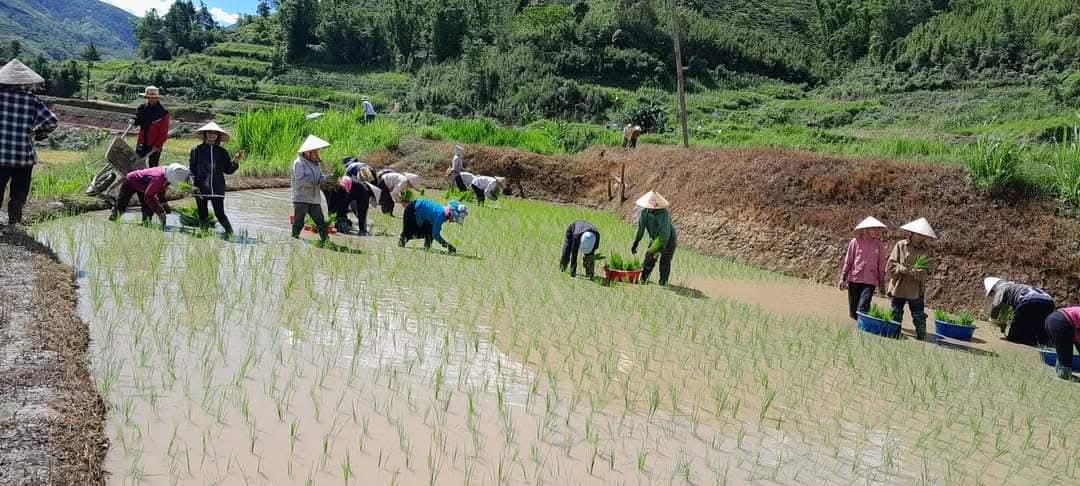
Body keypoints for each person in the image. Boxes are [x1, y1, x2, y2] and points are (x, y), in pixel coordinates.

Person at [0, 59, 57, 232]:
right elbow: (52, 122)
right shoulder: (32, 100)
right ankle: (14, 224)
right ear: (24, 82)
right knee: (18, 192)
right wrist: (37, 133)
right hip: (23, 156)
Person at [188, 122, 242, 235]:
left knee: (219, 213)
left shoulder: (222, 152)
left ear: (218, 135)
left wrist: (235, 161)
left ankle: (230, 233)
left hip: (217, 187)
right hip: (200, 186)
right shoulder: (196, 150)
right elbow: (192, 169)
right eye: (209, 132)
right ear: (204, 134)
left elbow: (228, 170)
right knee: (202, 213)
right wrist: (193, 184)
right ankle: (204, 234)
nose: (211, 135)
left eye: (214, 133)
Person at [887, 218, 936, 339]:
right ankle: (894, 334)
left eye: (922, 235)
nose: (919, 237)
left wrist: (919, 272)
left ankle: (921, 336)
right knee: (896, 312)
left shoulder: (928, 251)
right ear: (912, 233)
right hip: (900, 285)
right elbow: (891, 264)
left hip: (916, 287)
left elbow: (930, 269)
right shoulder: (900, 245)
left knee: (918, 314)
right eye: (917, 234)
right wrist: (900, 268)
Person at [108, 163, 189, 228]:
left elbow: (160, 191)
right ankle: (113, 219)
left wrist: (165, 205)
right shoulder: (158, 178)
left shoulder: (167, 176)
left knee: (148, 207)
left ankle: (146, 223)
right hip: (131, 181)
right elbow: (148, 196)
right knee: (122, 204)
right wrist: (160, 212)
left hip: (144, 184)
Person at [839, 217, 887, 321]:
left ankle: (863, 327)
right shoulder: (855, 242)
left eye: (877, 229)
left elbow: (881, 265)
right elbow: (849, 261)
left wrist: (882, 283)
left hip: (870, 281)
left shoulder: (878, 244)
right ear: (866, 229)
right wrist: (842, 278)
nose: (876, 231)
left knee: (863, 307)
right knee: (853, 312)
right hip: (854, 279)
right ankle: (857, 330)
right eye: (873, 228)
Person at [985, 277, 1055, 346]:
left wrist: (993, 319)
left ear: (994, 287)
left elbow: (996, 305)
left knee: (1014, 336)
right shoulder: (1018, 287)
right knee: (1039, 333)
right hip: (1049, 302)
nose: (993, 294)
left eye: (992, 292)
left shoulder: (1003, 288)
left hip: (1029, 301)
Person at [631, 191, 676, 285]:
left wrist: (657, 249)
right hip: (656, 238)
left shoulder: (663, 214)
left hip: (668, 238)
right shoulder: (644, 213)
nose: (650, 208)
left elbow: (665, 234)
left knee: (664, 260)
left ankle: (663, 282)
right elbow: (640, 229)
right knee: (649, 259)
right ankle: (643, 279)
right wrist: (636, 242)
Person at [291, 135, 331, 241]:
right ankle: (294, 240)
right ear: (307, 152)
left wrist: (327, 179)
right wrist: (317, 182)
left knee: (321, 222)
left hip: (314, 198)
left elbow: (320, 177)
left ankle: (326, 241)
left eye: (317, 151)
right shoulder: (298, 163)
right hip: (301, 198)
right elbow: (301, 180)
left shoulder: (315, 164)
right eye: (315, 151)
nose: (317, 153)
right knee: (299, 222)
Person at [399, 198, 468, 254]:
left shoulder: (443, 213)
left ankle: (427, 246)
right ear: (451, 214)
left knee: (430, 229)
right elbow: (435, 234)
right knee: (409, 232)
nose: (454, 221)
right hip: (412, 210)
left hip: (419, 211)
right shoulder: (441, 215)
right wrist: (447, 245)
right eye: (455, 219)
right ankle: (402, 238)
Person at [133, 86, 170, 168]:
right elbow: (138, 120)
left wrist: (157, 145)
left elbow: (163, 132)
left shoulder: (163, 113)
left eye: (153, 97)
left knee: (153, 166)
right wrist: (133, 121)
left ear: (157, 98)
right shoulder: (142, 108)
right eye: (149, 97)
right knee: (137, 163)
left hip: (154, 144)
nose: (151, 99)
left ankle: (151, 180)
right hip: (142, 142)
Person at [1044, 307, 1080, 380]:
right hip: (1062, 322)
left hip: (1052, 319)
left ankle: (1061, 369)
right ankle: (1064, 373)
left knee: (1063, 351)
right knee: (1065, 352)